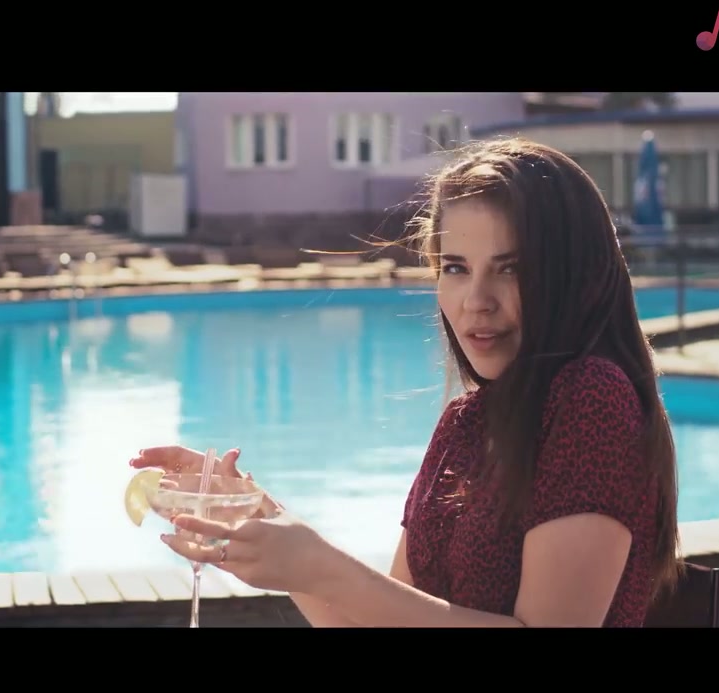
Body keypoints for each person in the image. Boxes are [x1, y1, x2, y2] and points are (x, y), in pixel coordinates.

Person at [129, 137, 682, 628]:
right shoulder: (466, 424)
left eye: (511, 268)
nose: (476, 301)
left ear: (573, 274)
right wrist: (263, 519)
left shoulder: (591, 399)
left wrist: (323, 565)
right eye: (456, 267)